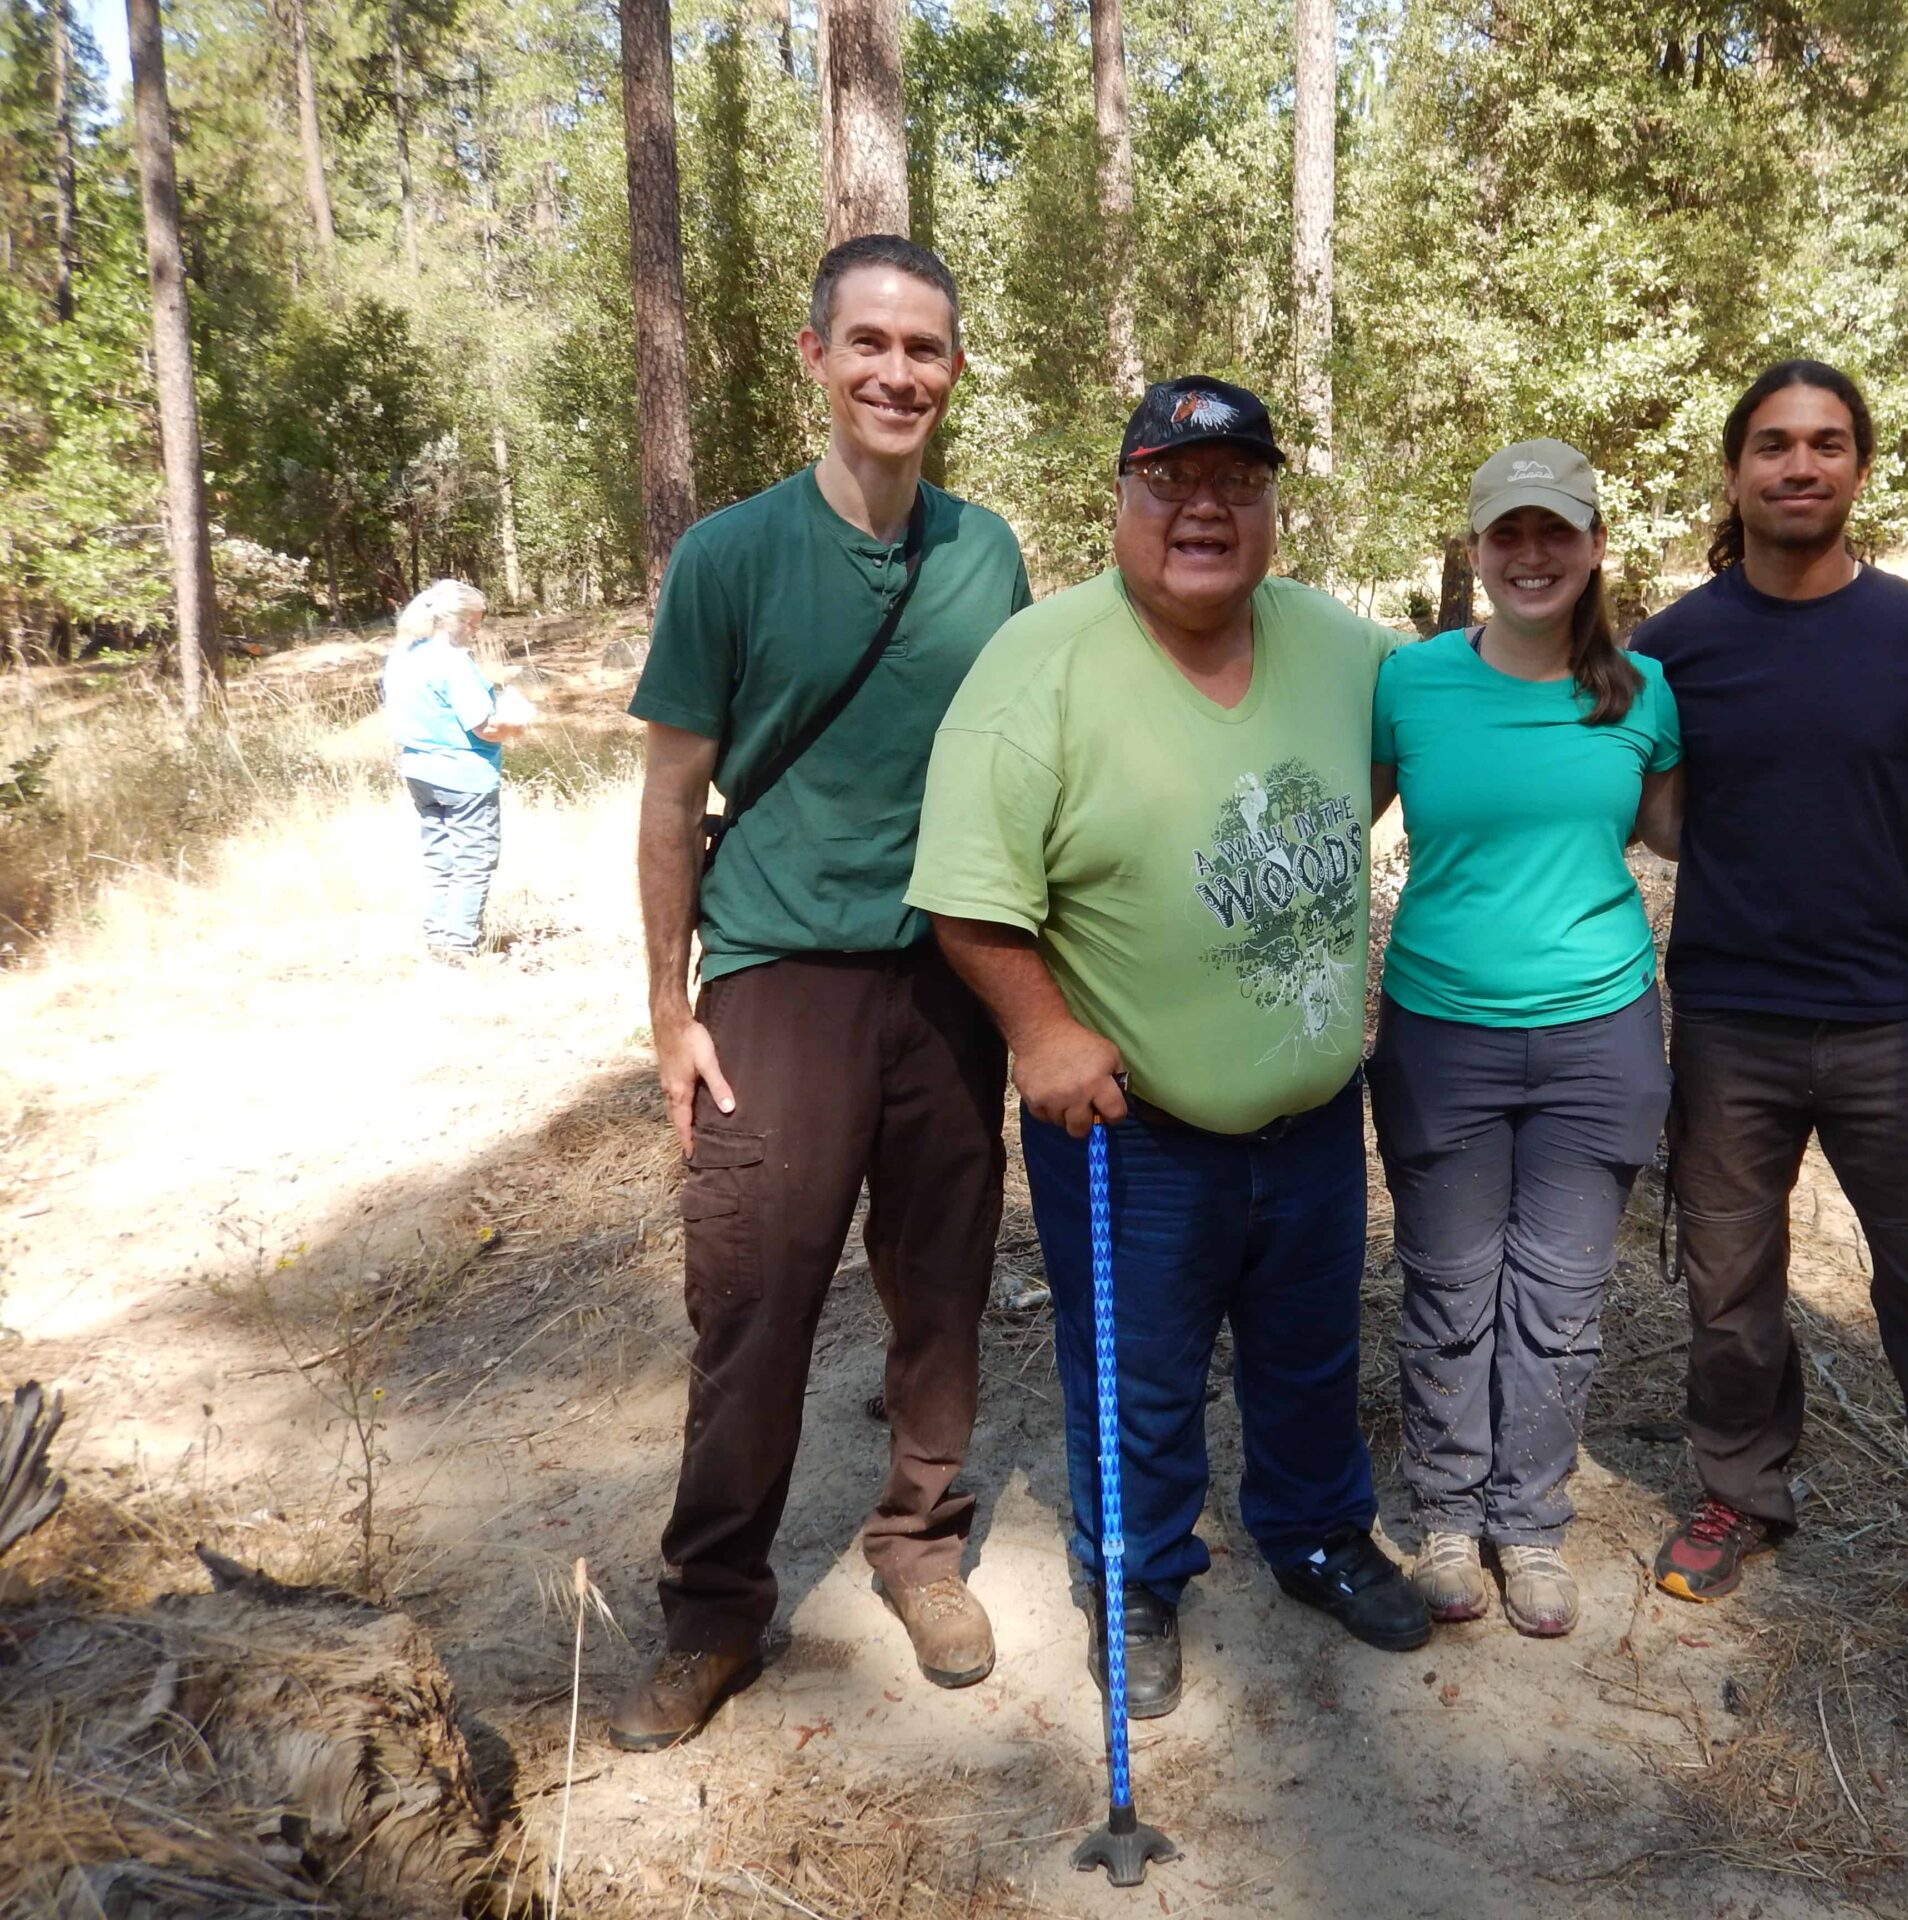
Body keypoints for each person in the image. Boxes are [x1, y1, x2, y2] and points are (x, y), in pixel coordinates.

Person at [908, 376, 1430, 1720]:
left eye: (1238, 480)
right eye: (1171, 476)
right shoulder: (1039, 665)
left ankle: (1318, 1536)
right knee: (1136, 1370)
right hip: (1130, 1129)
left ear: (1270, 505)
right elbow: (968, 894)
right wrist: (1040, 1027)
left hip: (1315, 1111)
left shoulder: (1345, 649)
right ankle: (1135, 1577)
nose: (1205, 505)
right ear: (1123, 495)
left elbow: (1408, 760)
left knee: (1312, 1351)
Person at [608, 235, 1033, 1753]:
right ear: (816, 358)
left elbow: (1024, 769)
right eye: (868, 344)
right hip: (779, 975)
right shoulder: (728, 556)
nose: (897, 373)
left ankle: (922, 1545)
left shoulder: (988, 556)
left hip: (950, 980)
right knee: (755, 1301)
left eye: (924, 349)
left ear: (955, 371)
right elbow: (671, 799)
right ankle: (713, 1606)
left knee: (941, 1282)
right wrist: (672, 1012)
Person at [1633, 360, 1908, 1659]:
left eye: (1827, 443)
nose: (1799, 465)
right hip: (1726, 1025)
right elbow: (1607, 796)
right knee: (1728, 1292)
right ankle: (1738, 1497)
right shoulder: (1674, 649)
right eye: (1772, 444)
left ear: (1859, 468)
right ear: (1735, 472)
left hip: (1886, 1023)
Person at [1367, 440, 1683, 1637]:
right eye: (1509, 534)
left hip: (1600, 1035)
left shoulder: (1640, 692)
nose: (1532, 556)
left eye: (1556, 533)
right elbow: (1331, 820)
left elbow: (1676, 835)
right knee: (1450, 1286)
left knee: (1559, 1297)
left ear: (1596, 546)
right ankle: (1446, 1513)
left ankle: (1531, 1523)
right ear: (1478, 549)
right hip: (1441, 1030)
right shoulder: (1410, 683)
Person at [380, 578, 521, 960]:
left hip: (419, 769)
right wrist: (517, 723)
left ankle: (438, 937)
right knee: (473, 858)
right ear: (452, 620)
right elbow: (485, 727)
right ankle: (460, 945)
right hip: (464, 773)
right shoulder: (452, 662)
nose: (475, 631)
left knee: (439, 855)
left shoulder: (403, 655)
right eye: (472, 623)